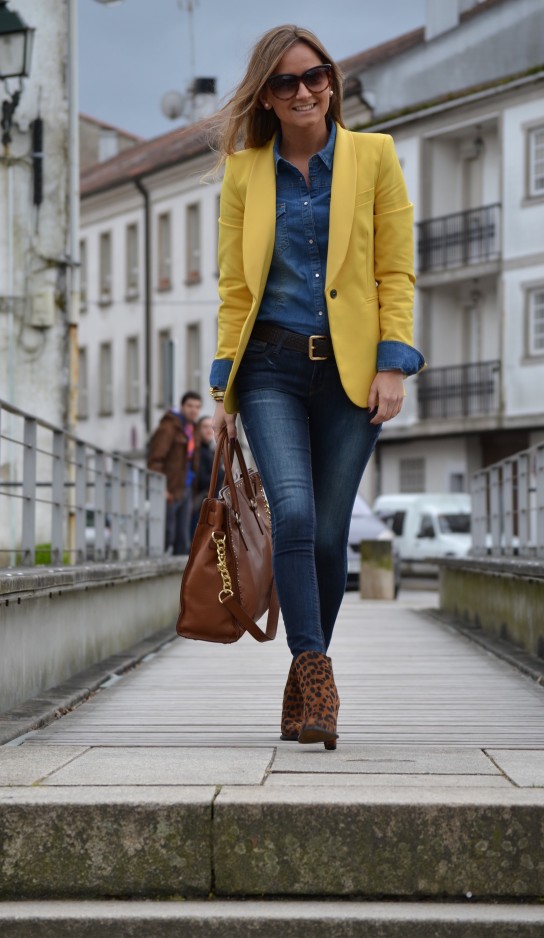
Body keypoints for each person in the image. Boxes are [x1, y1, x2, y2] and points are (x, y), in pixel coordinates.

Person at [209, 25, 425, 749]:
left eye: (317, 76)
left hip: (353, 373)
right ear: (264, 97)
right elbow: (234, 291)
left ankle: (304, 684)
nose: (305, 91)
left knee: (330, 534)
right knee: (294, 514)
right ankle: (317, 672)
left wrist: (394, 362)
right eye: (286, 83)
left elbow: (396, 270)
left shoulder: (374, 157)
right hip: (269, 366)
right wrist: (220, 395)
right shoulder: (245, 173)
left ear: (331, 80)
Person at [148, 390, 202, 555]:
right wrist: (161, 487)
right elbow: (155, 459)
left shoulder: (192, 429)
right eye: (190, 406)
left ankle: (181, 579)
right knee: (166, 533)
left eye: (197, 407)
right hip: (170, 488)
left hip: (186, 488)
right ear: (182, 406)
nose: (193, 410)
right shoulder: (169, 427)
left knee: (182, 537)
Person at [190, 415, 225, 534]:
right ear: (198, 430)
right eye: (204, 427)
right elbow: (200, 478)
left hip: (210, 501)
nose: (209, 430)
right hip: (201, 502)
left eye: (211, 427)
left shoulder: (210, 450)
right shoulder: (197, 451)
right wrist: (221, 472)